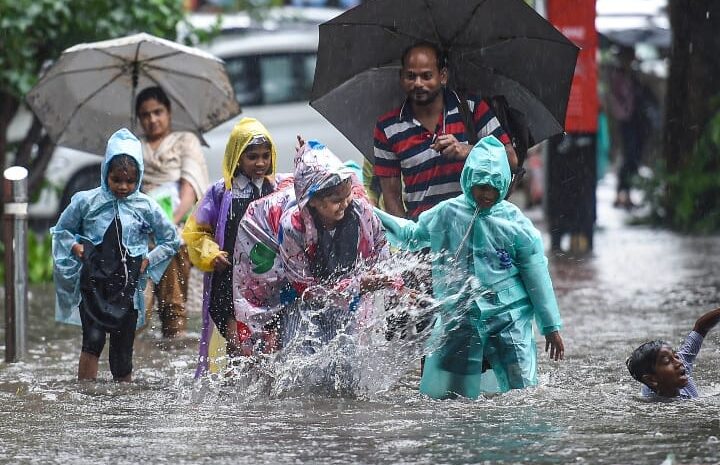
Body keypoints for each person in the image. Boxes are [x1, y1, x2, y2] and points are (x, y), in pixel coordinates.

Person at [374, 135, 564, 399]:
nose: (486, 194)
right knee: (450, 398)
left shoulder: (517, 225)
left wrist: (550, 326)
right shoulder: (448, 213)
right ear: (467, 181)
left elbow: (536, 276)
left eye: (492, 187)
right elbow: (412, 235)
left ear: (504, 184)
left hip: (508, 316)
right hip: (461, 313)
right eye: (479, 186)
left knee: (523, 393)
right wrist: (371, 213)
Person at [51, 128, 180, 381]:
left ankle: (123, 410)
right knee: (92, 342)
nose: (123, 187)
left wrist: (148, 260)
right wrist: (75, 247)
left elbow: (171, 240)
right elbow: (61, 230)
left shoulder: (146, 206)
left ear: (139, 177)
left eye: (130, 181)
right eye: (116, 180)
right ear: (105, 174)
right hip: (93, 285)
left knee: (122, 354)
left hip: (127, 289)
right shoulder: (86, 202)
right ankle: (87, 397)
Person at [183, 117, 287, 376]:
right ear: (237, 158)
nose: (260, 163)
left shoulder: (277, 190)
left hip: (267, 283)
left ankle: (260, 404)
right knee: (238, 347)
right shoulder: (220, 193)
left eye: (265, 156)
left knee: (270, 349)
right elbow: (196, 232)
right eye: (252, 157)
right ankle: (232, 401)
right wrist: (211, 254)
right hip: (228, 282)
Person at [373, 41, 517, 221]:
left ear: (443, 76)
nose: (418, 83)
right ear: (401, 77)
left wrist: (468, 151)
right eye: (411, 76)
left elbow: (510, 159)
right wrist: (409, 240)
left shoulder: (472, 108)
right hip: (425, 240)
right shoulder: (387, 127)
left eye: (426, 76)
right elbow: (391, 197)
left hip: (477, 233)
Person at [276, 140, 394, 353]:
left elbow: (380, 247)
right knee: (300, 360)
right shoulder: (293, 228)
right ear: (311, 201)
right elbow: (304, 288)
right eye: (335, 200)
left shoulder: (361, 212)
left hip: (344, 292)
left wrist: (384, 279)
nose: (345, 203)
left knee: (345, 359)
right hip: (298, 297)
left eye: (347, 194)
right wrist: (357, 285)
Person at [135, 86, 210, 338]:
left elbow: (190, 189)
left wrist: (167, 224)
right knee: (135, 314)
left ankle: (173, 335)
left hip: (176, 228)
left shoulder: (184, 141)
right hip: (139, 231)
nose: (152, 119)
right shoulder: (134, 148)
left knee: (173, 308)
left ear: (169, 112)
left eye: (158, 112)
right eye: (145, 115)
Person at [626, 306, 720, 399]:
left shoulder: (682, 364)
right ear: (651, 379)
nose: (679, 362)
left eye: (676, 356)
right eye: (667, 361)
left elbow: (700, 327)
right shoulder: (651, 404)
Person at [607, 46, 651, 209]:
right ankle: (621, 193)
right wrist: (623, 111)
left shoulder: (632, 76)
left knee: (633, 158)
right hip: (626, 121)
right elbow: (615, 100)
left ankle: (626, 193)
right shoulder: (617, 76)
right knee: (629, 157)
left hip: (635, 121)